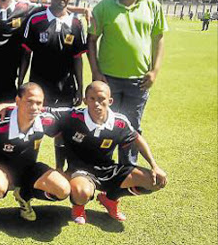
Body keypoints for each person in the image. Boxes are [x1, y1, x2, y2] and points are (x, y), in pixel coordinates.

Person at [41, 81, 168, 224]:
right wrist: (14, 106)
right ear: (85, 100)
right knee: (81, 192)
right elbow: (39, 109)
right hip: (80, 171)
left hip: (108, 170)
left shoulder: (119, 122)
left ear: (110, 101)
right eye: (92, 99)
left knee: (154, 182)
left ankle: (110, 199)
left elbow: (137, 139)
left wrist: (154, 166)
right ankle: (78, 207)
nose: (96, 103)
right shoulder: (72, 116)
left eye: (101, 99)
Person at [87, 0, 168, 165]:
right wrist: (96, 72)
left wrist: (155, 71)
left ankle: (127, 169)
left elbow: (158, 39)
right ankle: (99, 167)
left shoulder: (153, 6)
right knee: (102, 123)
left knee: (132, 128)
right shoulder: (104, 7)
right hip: (108, 80)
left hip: (139, 81)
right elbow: (91, 40)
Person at [0, 83, 71, 227]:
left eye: (38, 103)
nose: (34, 107)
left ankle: (24, 195)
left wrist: (60, 165)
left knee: (63, 189)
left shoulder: (46, 119)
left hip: (29, 169)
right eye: (29, 101)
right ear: (18, 101)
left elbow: (69, 118)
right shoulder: (0, 119)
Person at [19, 0, 87, 170]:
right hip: (38, 90)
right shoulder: (35, 20)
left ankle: (59, 169)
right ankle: (28, 168)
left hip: (65, 88)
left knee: (63, 131)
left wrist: (80, 88)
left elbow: (77, 59)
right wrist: (20, 82)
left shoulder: (76, 23)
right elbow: (25, 55)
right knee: (33, 128)